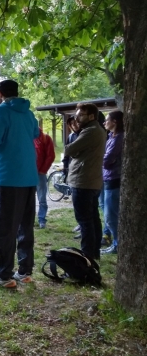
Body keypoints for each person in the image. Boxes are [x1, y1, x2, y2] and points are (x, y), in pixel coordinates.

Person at [0, 80, 39, 288]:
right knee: (25, 226)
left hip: (8, 176)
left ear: (0, 93)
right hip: (30, 177)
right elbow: (35, 134)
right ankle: (25, 271)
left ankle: (5, 276)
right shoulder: (28, 114)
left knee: (4, 228)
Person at [64, 103, 107, 262]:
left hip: (83, 181)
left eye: (80, 115)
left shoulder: (90, 131)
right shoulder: (96, 131)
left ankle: (87, 256)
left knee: (85, 221)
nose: (76, 118)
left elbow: (69, 150)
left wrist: (75, 140)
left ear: (91, 116)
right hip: (92, 181)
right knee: (93, 218)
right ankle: (94, 253)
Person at [101, 110, 124, 255]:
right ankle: (116, 243)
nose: (104, 122)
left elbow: (107, 160)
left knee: (111, 215)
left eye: (107, 120)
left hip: (114, 179)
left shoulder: (119, 138)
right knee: (108, 213)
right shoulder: (111, 136)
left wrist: (100, 159)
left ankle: (117, 244)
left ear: (114, 122)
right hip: (107, 178)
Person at [34, 128, 55, 229]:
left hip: (40, 174)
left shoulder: (46, 139)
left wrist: (43, 170)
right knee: (27, 199)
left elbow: (50, 156)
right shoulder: (28, 138)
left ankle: (42, 219)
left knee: (42, 199)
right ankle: (29, 219)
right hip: (28, 174)